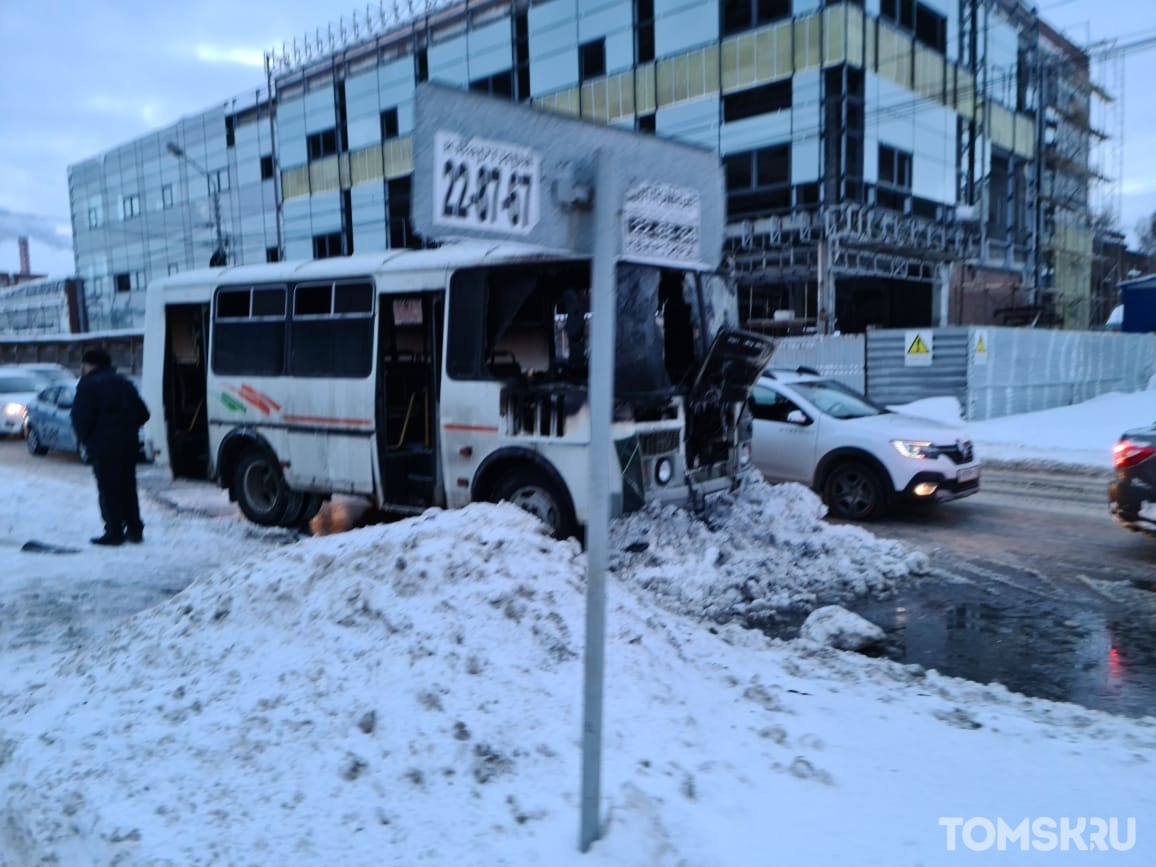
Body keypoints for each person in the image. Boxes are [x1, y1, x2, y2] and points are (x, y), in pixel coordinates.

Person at [71, 348, 151, 546]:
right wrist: (126, 427)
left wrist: (86, 438)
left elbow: (81, 418)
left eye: (84, 365)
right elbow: (144, 413)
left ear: (91, 366)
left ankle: (114, 531)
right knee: (127, 487)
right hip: (128, 445)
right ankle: (134, 529)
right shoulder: (125, 384)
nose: (83, 368)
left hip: (103, 447)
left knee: (108, 489)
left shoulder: (87, 386)